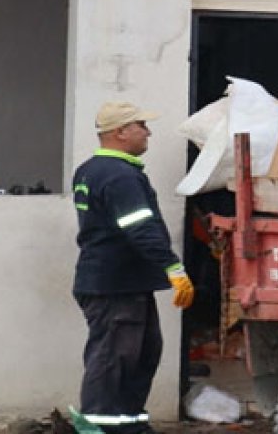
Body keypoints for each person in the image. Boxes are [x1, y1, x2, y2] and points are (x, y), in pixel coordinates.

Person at [70, 102, 194, 434]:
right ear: (120, 132)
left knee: (143, 354)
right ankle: (100, 427)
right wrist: (173, 267)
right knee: (115, 360)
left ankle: (130, 426)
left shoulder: (91, 170)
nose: (148, 132)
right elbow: (139, 229)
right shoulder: (119, 176)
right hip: (115, 285)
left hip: (121, 283)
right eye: (141, 125)